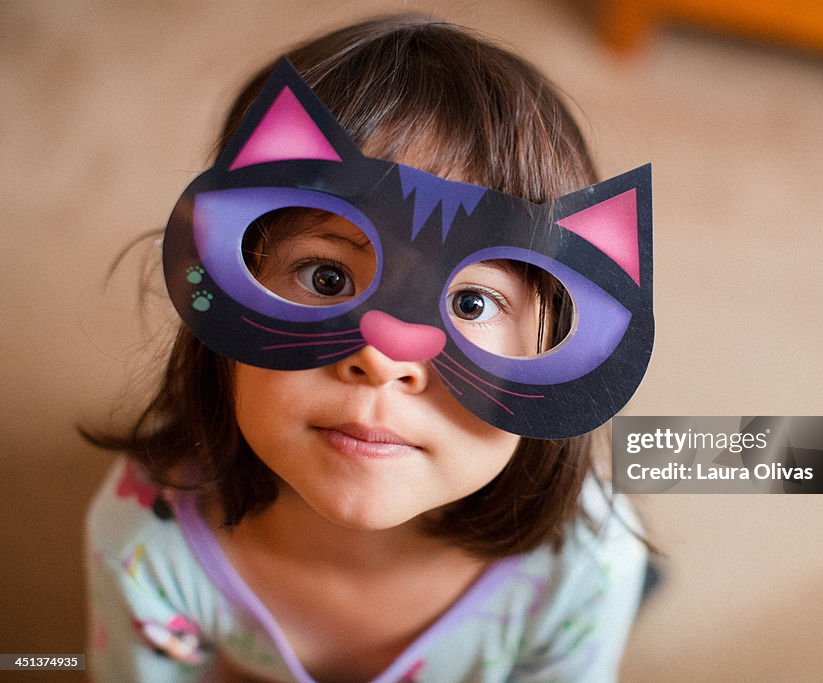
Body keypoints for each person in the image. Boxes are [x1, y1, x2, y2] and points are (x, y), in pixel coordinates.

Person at [85, 14, 654, 682]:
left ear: (555, 336)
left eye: (472, 303)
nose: (383, 357)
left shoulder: (590, 563)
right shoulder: (143, 539)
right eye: (327, 277)